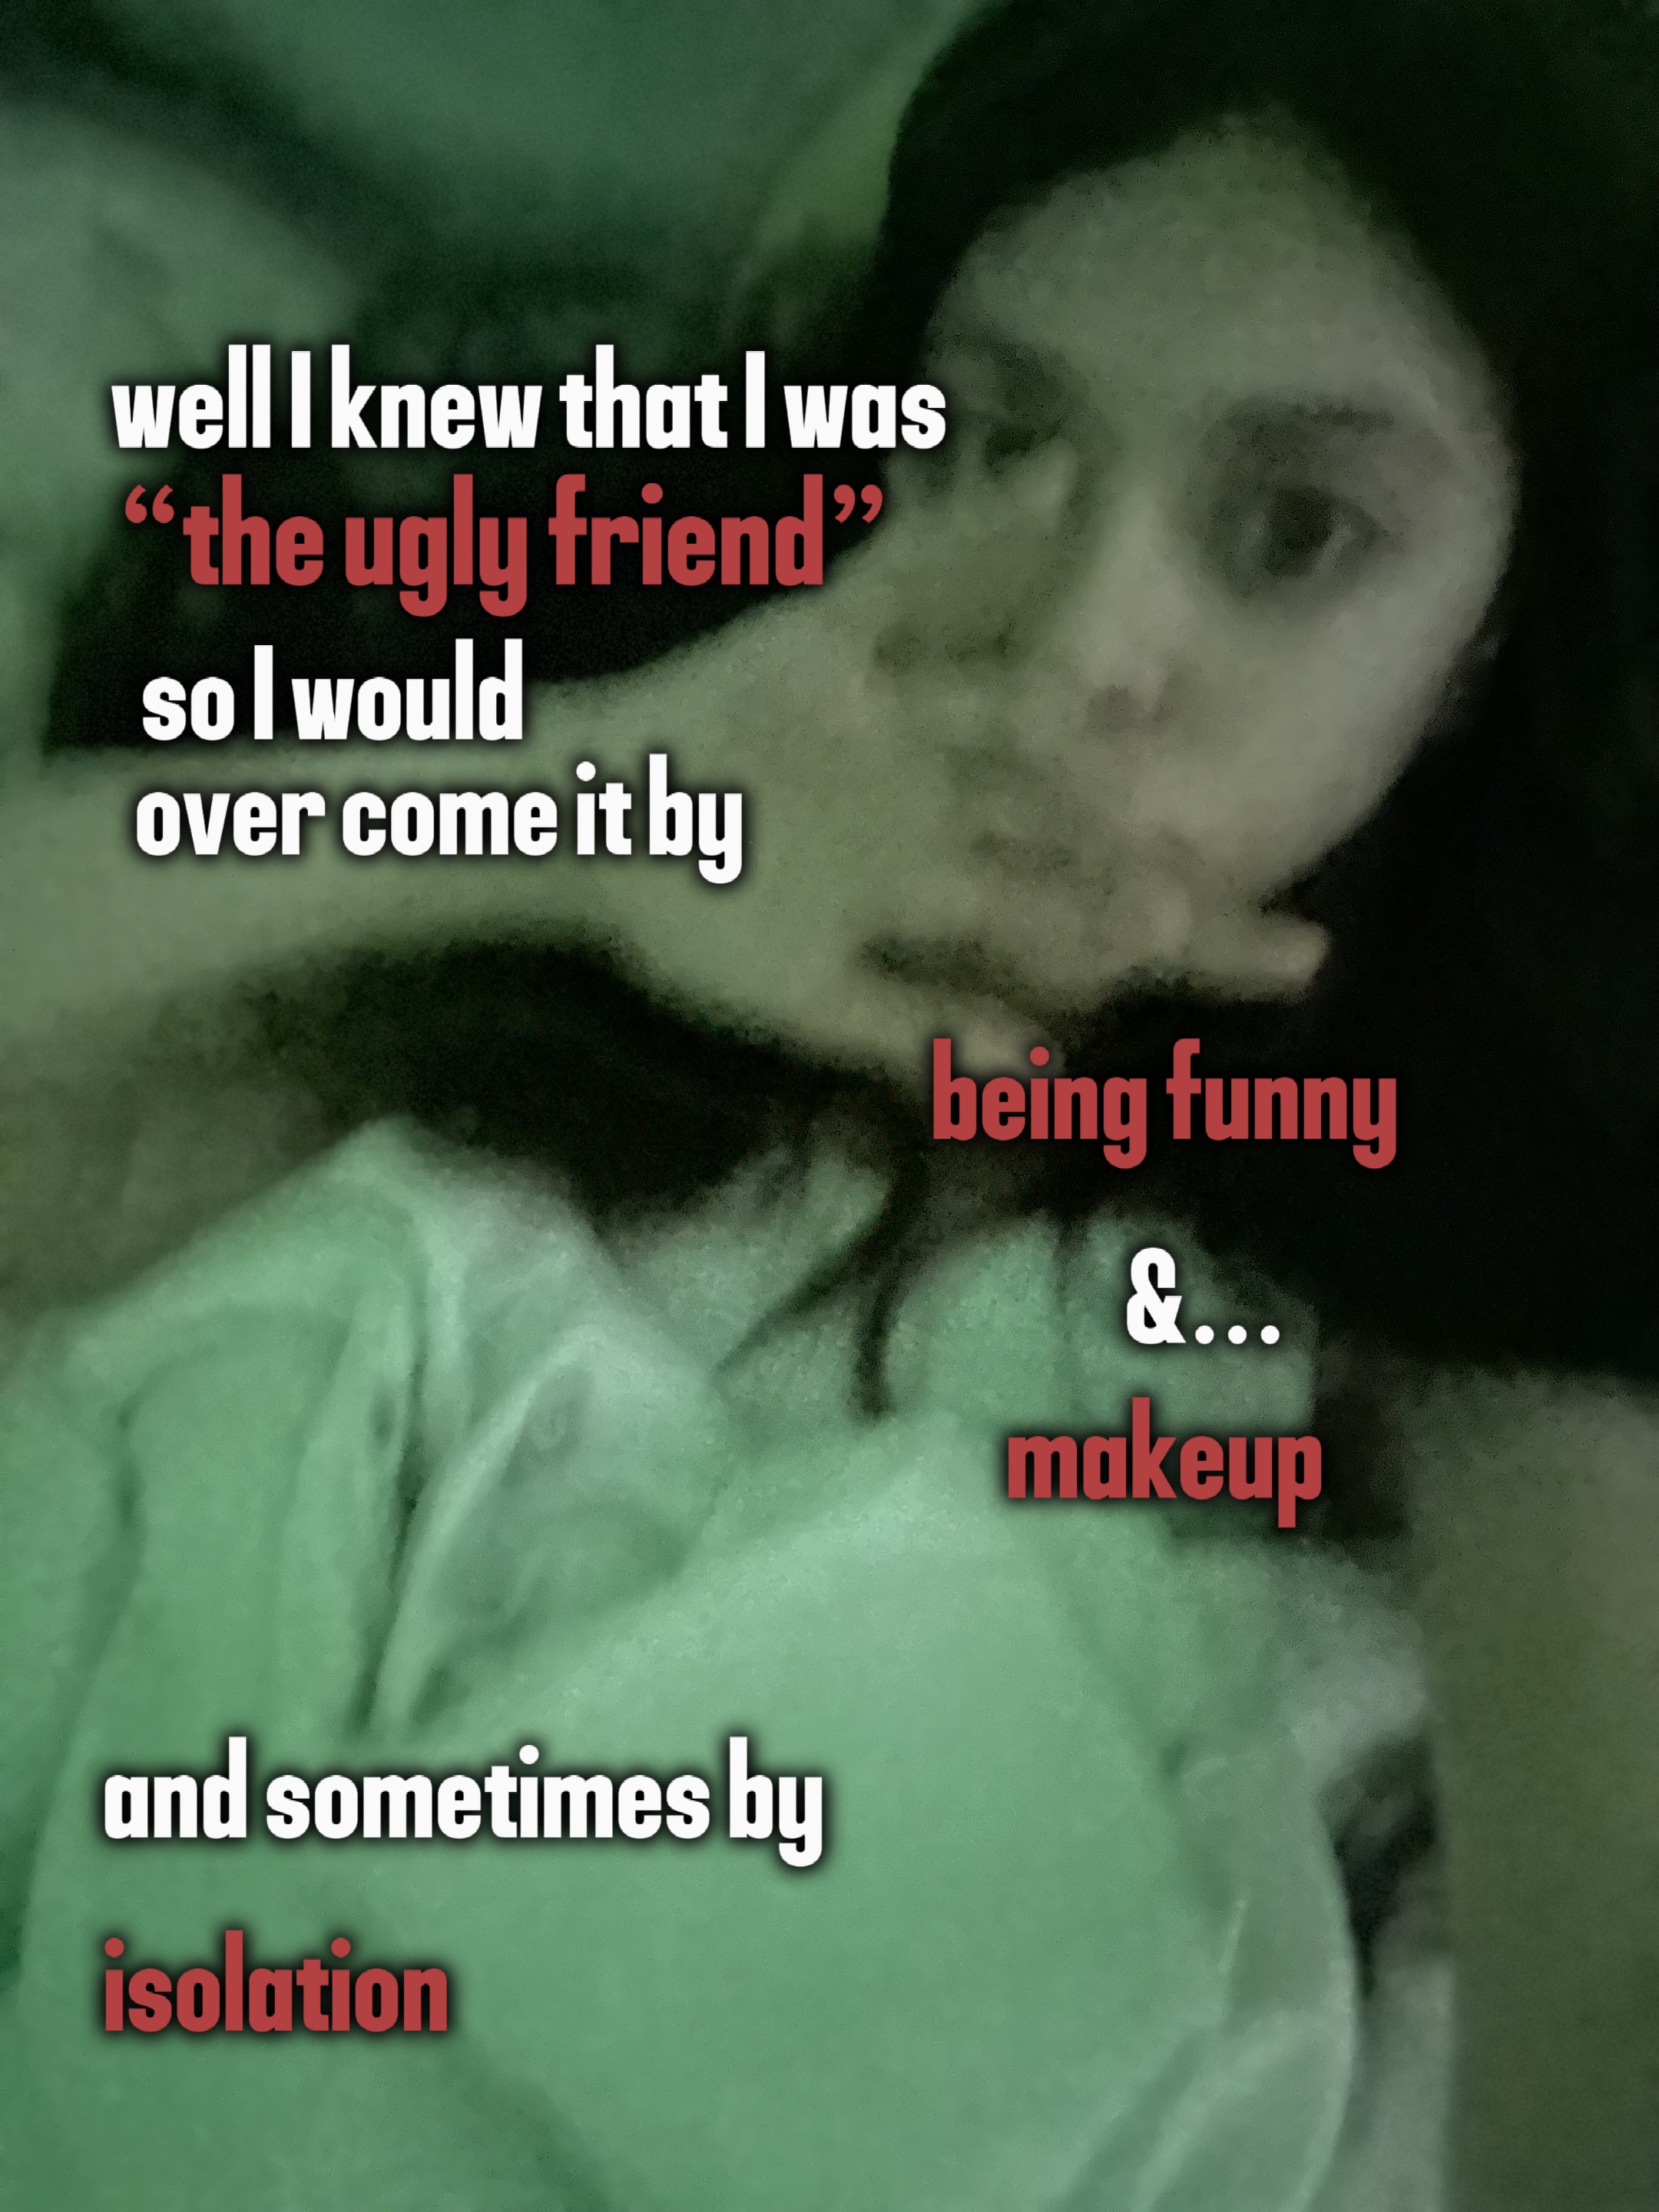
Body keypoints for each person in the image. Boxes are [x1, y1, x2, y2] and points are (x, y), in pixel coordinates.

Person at [1, 2, 1654, 2207]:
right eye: (994, 442)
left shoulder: (1511, 1306)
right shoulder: (544, 976)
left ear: (1495, 637)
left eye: (1292, 530)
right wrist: (576, 807)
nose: (1081, 642)